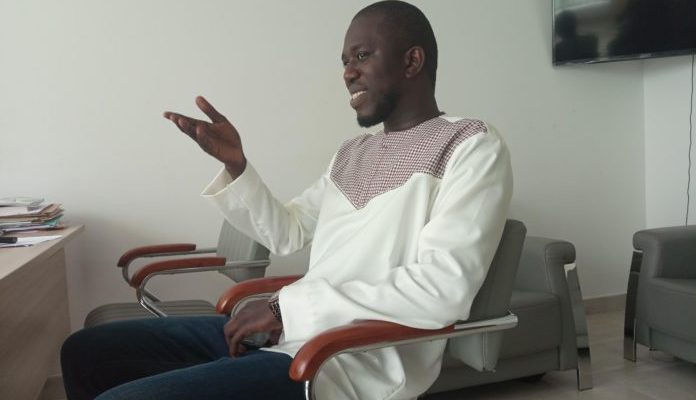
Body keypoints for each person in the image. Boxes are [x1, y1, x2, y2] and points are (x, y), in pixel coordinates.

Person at [60, 1, 512, 399]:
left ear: (412, 60)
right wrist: (238, 167)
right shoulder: (352, 153)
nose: (347, 72)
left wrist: (285, 308)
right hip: (289, 334)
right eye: (344, 61)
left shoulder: (470, 145)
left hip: (349, 360)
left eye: (361, 56)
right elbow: (287, 232)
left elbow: (442, 288)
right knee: (86, 352)